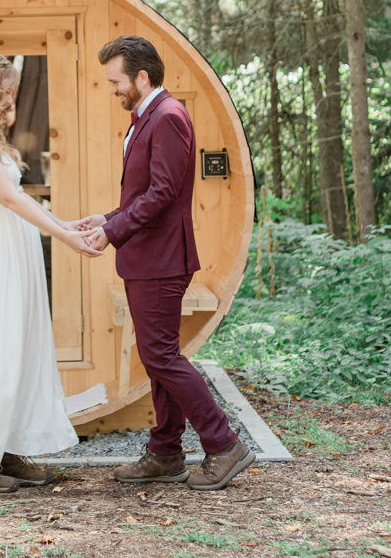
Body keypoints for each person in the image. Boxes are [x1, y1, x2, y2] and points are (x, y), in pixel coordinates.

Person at [77, 35, 255, 491]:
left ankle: (224, 444)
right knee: (158, 358)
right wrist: (109, 216)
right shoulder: (147, 118)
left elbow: (164, 193)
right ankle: (165, 453)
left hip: (161, 260)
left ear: (141, 76)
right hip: (146, 259)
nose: (112, 89)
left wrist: (113, 231)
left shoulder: (170, 116)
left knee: (161, 356)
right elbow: (145, 195)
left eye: (116, 81)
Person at [0, 52, 101, 493]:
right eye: (3, 90)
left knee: (23, 347)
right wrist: (64, 238)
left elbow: (20, 199)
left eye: (12, 90)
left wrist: (66, 224)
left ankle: (6, 451)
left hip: (16, 243)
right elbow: (8, 200)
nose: (9, 98)